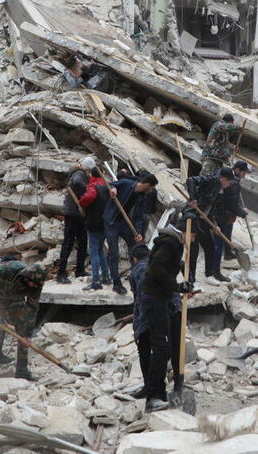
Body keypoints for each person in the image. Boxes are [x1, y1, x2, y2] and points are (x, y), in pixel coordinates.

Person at [138, 228, 193, 412]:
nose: (191, 241)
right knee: (160, 347)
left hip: (159, 298)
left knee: (163, 347)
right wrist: (176, 286)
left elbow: (166, 269)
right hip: (154, 299)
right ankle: (153, 396)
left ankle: (159, 394)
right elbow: (157, 270)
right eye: (192, 237)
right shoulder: (171, 245)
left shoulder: (171, 244)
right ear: (185, 233)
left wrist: (181, 284)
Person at [129, 244, 184, 399]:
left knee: (147, 349)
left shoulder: (138, 271)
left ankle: (153, 390)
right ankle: (177, 386)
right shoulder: (162, 263)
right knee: (173, 349)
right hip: (175, 309)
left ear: (134, 259)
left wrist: (138, 326)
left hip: (155, 309)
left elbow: (141, 298)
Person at [0, 259, 48, 381]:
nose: (32, 285)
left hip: (16, 300)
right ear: (26, 276)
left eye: (35, 284)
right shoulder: (4, 270)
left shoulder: (36, 283)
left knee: (24, 333)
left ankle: (21, 370)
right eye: (30, 282)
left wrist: (28, 334)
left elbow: (32, 307)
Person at [104, 173, 158, 295]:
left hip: (123, 222)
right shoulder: (126, 183)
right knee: (114, 252)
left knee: (135, 246)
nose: (152, 191)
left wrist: (138, 232)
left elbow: (138, 217)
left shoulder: (142, 197)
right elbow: (110, 184)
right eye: (153, 188)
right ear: (148, 185)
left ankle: (136, 277)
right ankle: (116, 283)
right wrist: (112, 189)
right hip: (110, 221)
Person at [181, 168, 234, 284]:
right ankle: (191, 281)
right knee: (192, 252)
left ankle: (209, 275)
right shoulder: (210, 180)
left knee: (210, 247)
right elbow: (190, 180)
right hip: (192, 217)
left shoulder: (219, 190)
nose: (229, 185)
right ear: (224, 179)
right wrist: (193, 197)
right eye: (229, 182)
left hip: (204, 220)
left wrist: (215, 225)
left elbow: (212, 210)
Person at [57, 156, 95, 283]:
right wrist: (87, 191)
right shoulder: (79, 174)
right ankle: (61, 273)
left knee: (83, 242)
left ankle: (79, 270)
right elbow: (78, 183)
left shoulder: (80, 174)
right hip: (73, 213)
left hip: (79, 214)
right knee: (68, 242)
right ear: (87, 169)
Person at [80, 168, 112, 291]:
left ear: (91, 174)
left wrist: (81, 203)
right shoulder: (106, 186)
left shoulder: (93, 187)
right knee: (100, 250)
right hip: (104, 223)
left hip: (94, 223)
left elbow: (88, 197)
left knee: (94, 252)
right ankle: (106, 277)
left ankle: (96, 281)